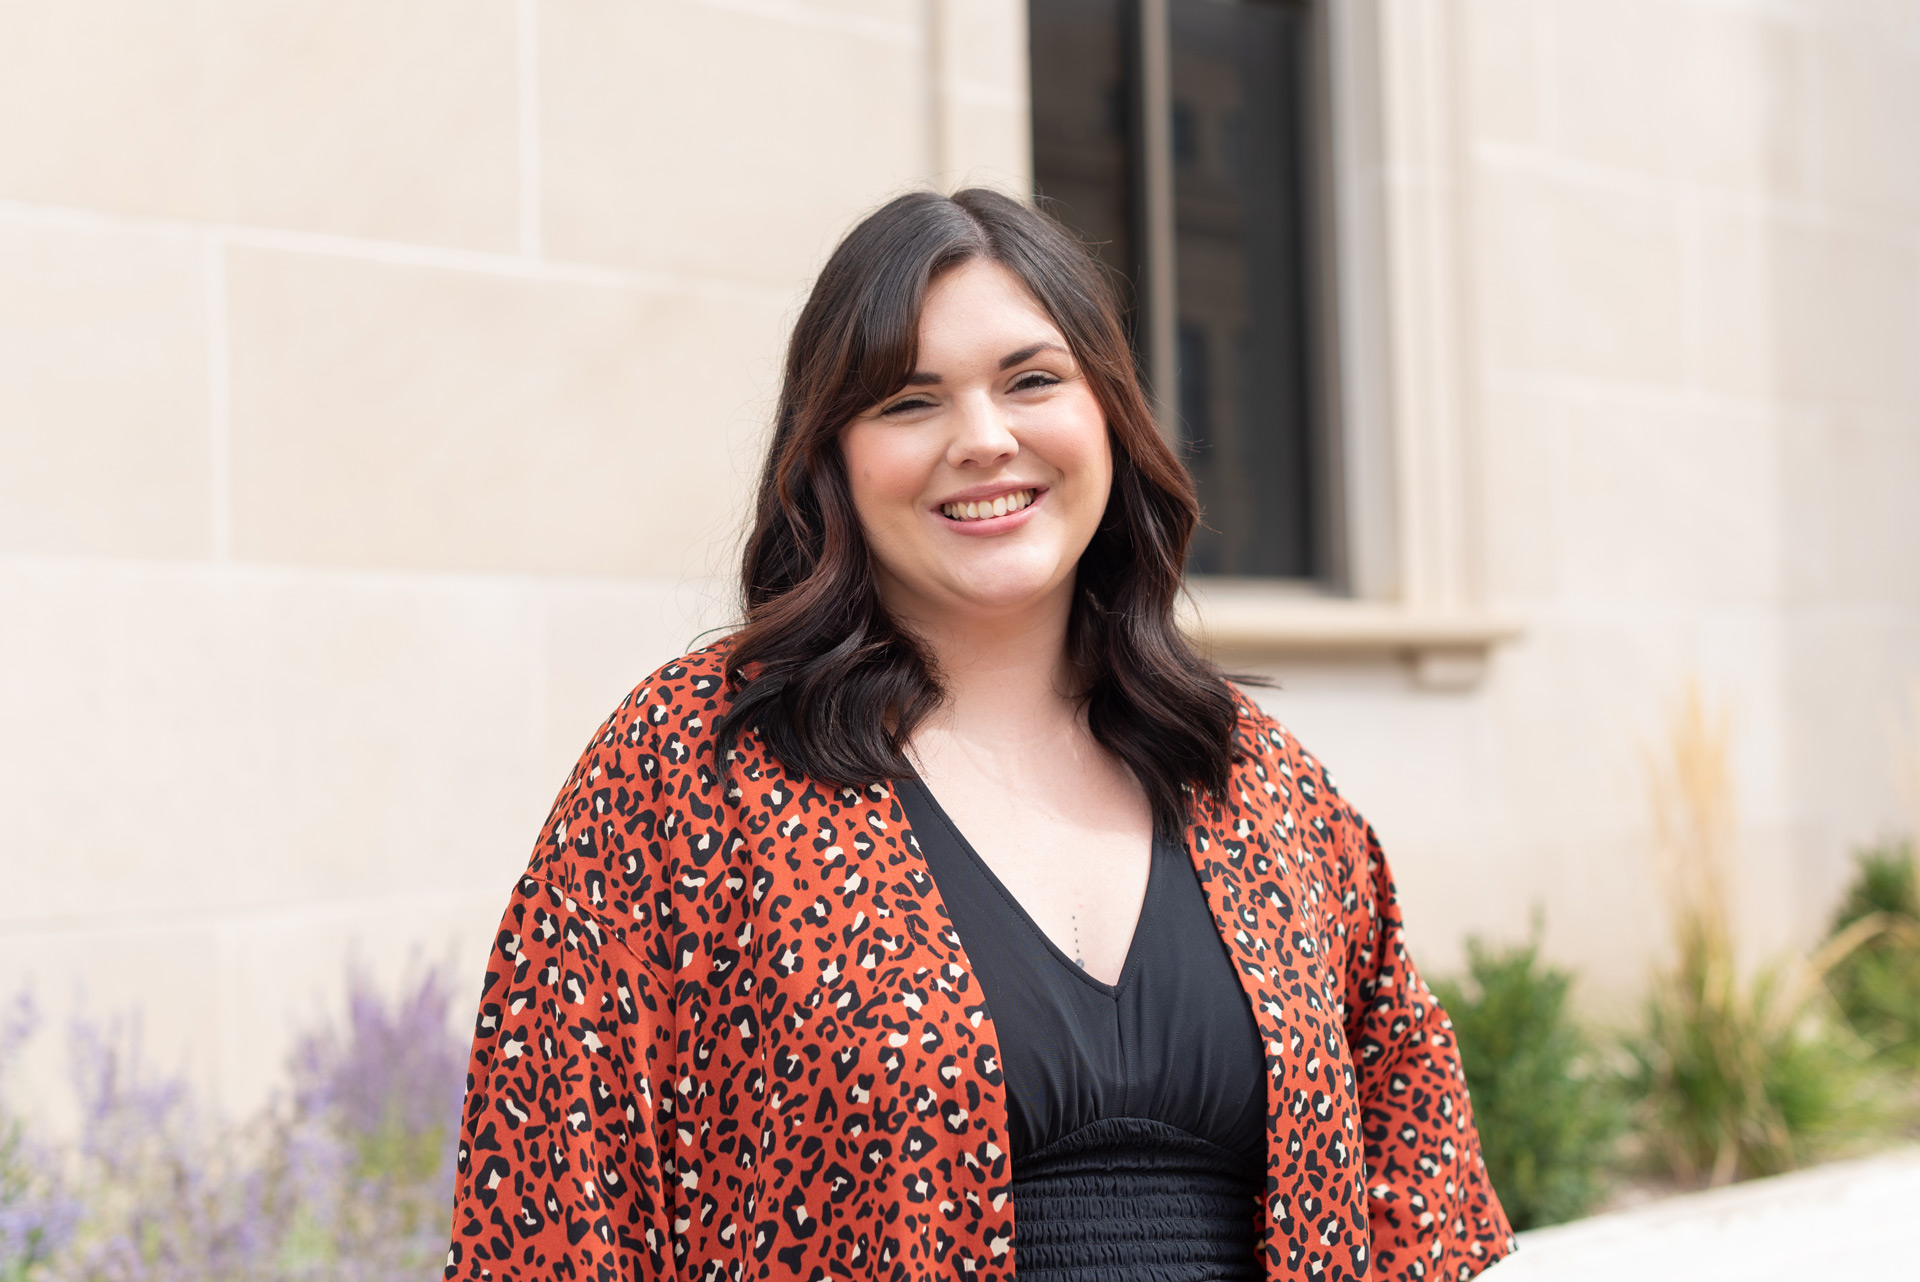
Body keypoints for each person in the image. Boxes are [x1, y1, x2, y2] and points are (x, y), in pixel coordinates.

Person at [443, 189, 1513, 1282]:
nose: (985, 440)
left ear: (1108, 414)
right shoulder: (690, 766)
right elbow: (547, 1206)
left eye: (1031, 379)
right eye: (911, 401)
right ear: (833, 458)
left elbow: (1420, 1194)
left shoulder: (1256, 781)